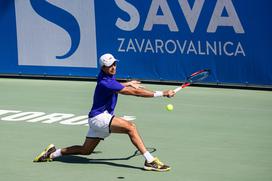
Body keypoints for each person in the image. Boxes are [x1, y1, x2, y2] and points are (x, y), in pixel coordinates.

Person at [33, 53, 175, 171]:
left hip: (97, 119)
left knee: (85, 151)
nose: (113, 67)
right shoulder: (106, 81)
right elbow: (135, 92)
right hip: (99, 118)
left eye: (114, 64)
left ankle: (52, 153)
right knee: (130, 127)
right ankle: (150, 161)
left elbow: (115, 86)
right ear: (103, 67)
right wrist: (162, 93)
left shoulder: (106, 78)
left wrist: (126, 83)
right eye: (109, 66)